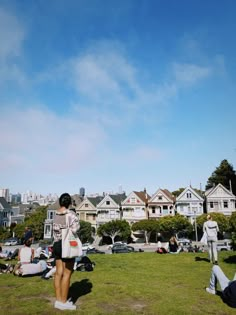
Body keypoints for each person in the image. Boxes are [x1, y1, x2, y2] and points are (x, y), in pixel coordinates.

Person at [53, 193, 80, 311]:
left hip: (56, 244)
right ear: (69, 202)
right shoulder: (71, 214)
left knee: (58, 272)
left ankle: (59, 300)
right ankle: (64, 302)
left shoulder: (55, 214)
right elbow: (75, 229)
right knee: (67, 273)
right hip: (67, 244)